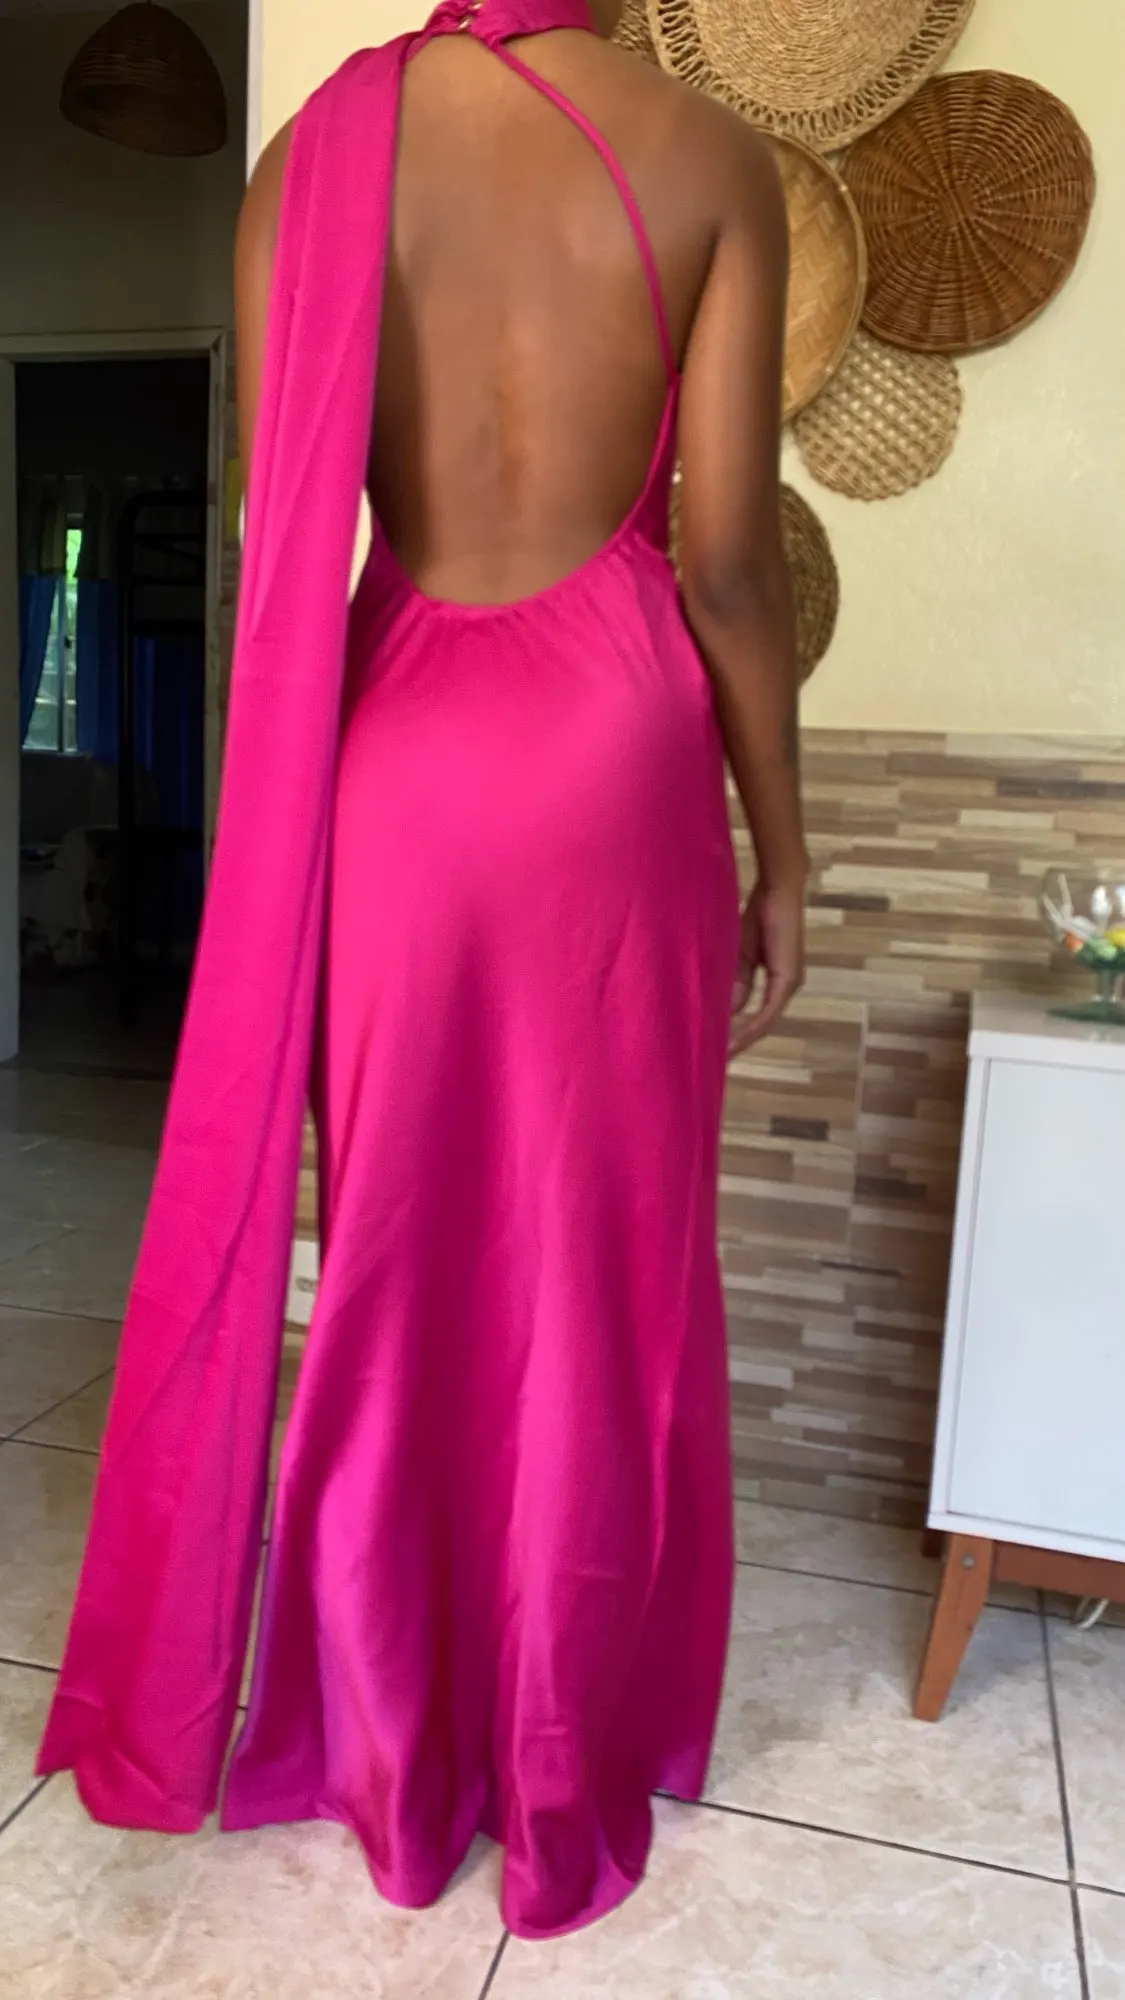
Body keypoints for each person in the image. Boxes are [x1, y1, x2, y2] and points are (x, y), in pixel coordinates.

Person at [39, 0, 805, 1944]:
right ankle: (560, 1737)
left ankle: (390, 1753)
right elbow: (729, 567)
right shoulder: (713, 158)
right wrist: (786, 852)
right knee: (600, 1267)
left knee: (394, 1252)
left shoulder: (312, 159)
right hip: (616, 752)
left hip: (390, 758)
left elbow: (276, 529)